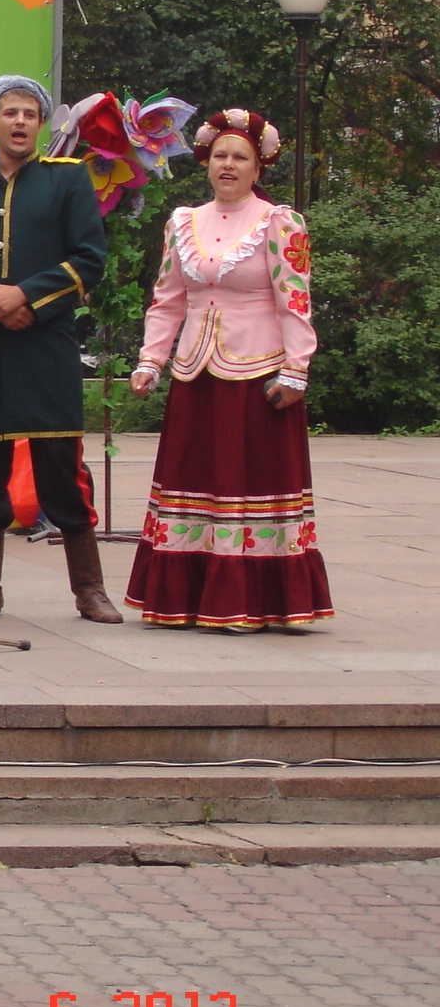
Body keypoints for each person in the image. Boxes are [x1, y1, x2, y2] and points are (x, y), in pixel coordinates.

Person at [125, 109, 332, 630]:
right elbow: (166, 301)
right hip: (197, 372)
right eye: (220, 156)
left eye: (241, 157)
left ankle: (258, 602)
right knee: (195, 479)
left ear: (258, 167)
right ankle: (184, 597)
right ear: (206, 162)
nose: (229, 165)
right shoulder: (182, 221)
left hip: (257, 374)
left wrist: (295, 370)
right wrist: (151, 360)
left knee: (248, 483)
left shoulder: (279, 222)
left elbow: (296, 300)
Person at [0, 74, 122, 623]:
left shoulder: (68, 181)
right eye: (9, 113)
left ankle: (90, 589)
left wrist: (28, 297)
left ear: (42, 124)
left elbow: (90, 259)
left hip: (48, 344)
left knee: (60, 468)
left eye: (30, 114)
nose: (20, 122)